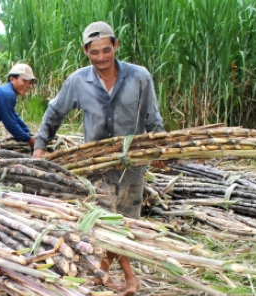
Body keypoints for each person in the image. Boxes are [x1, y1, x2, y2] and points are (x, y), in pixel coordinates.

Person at [33, 21, 165, 296]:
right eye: (95, 52)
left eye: (107, 50)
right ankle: (126, 277)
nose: (102, 58)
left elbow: (152, 117)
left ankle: (104, 272)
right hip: (95, 166)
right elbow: (54, 113)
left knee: (127, 221)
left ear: (116, 46)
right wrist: (40, 146)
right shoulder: (78, 81)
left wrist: (160, 147)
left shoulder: (139, 77)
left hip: (133, 164)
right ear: (85, 51)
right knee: (103, 220)